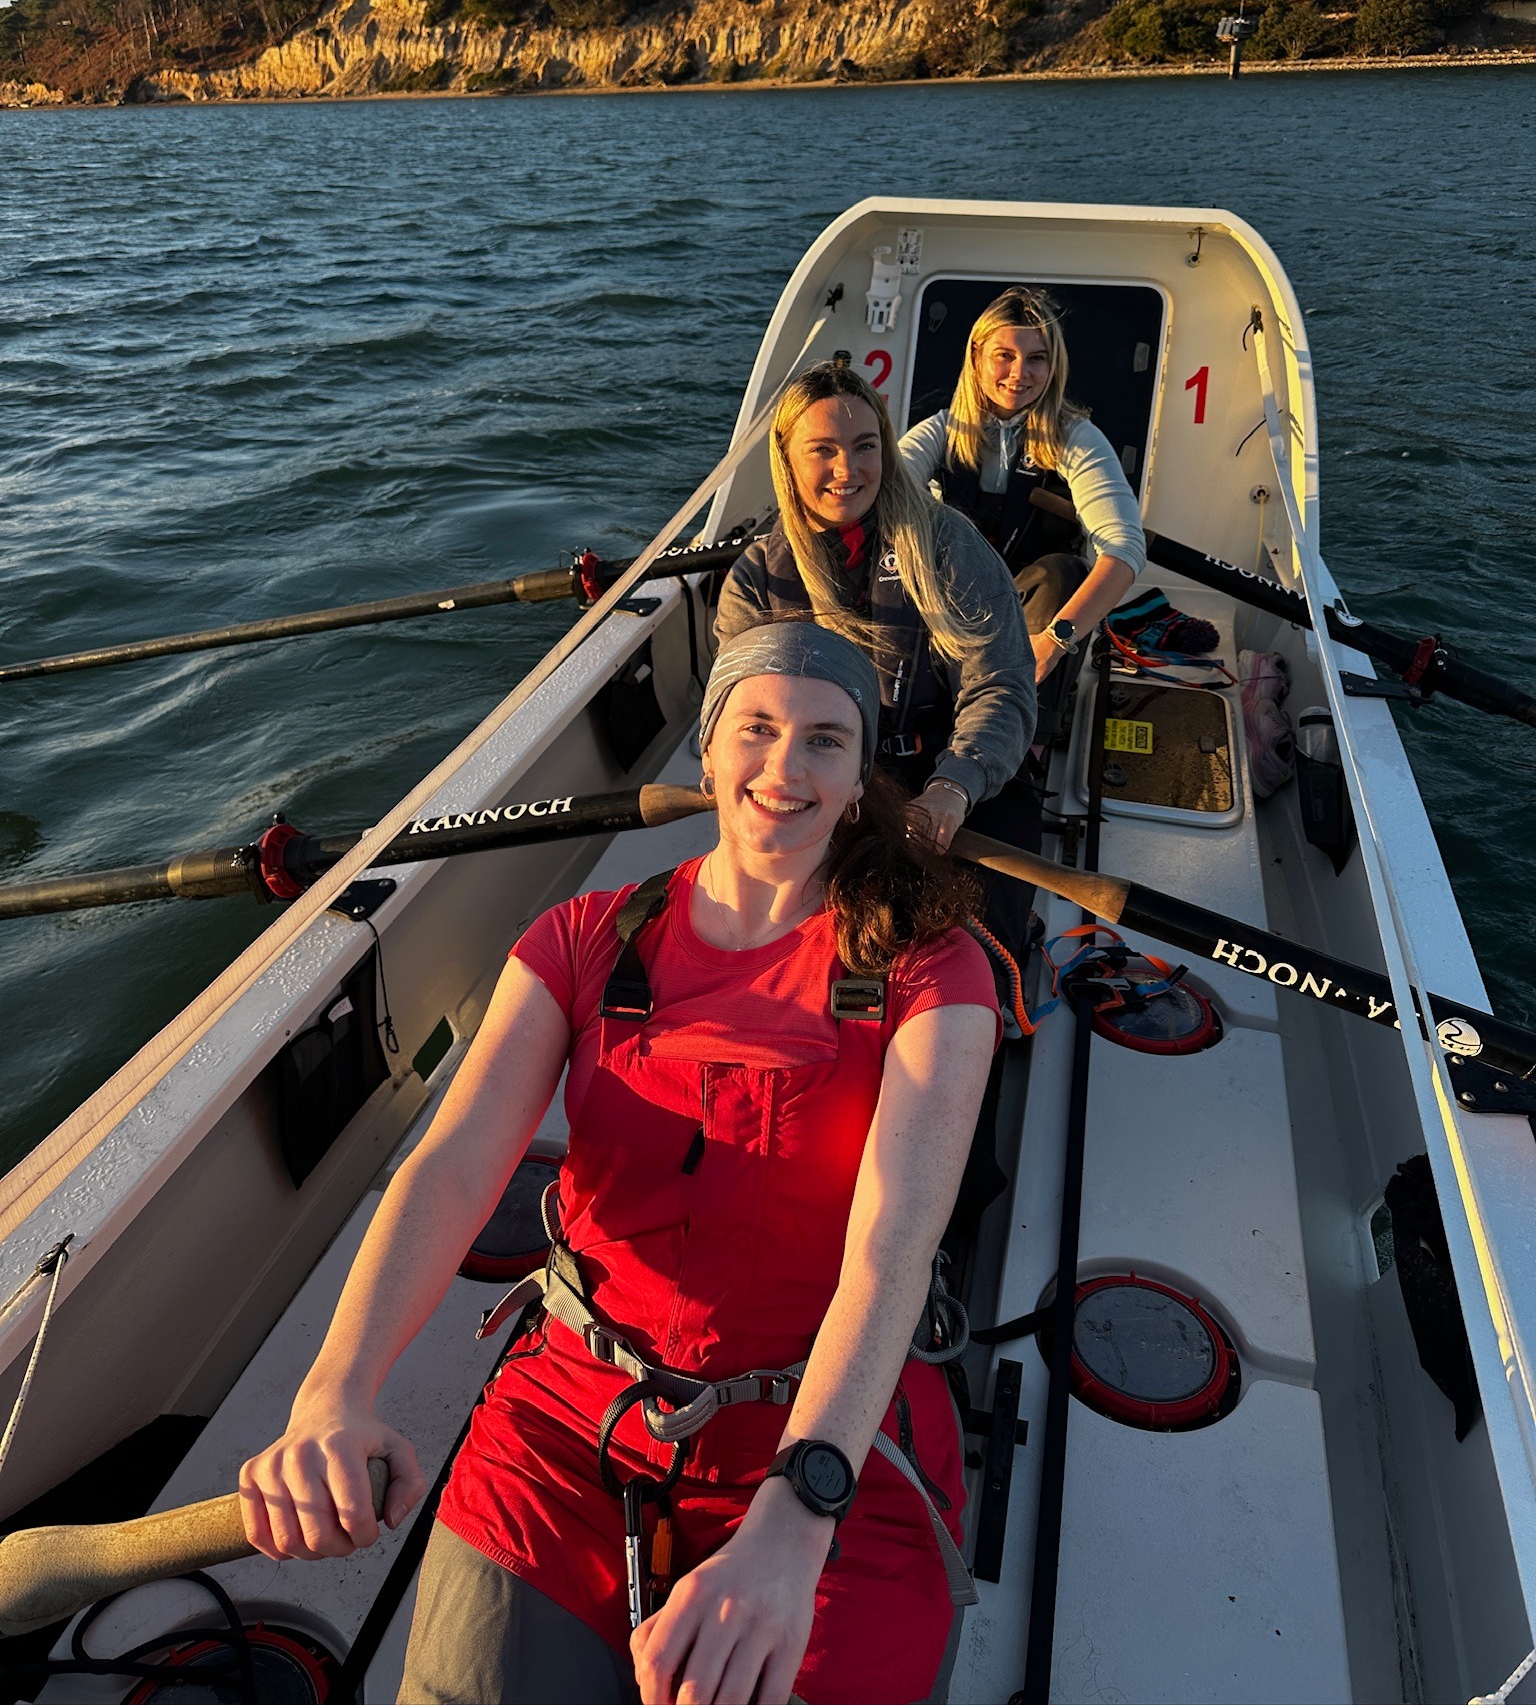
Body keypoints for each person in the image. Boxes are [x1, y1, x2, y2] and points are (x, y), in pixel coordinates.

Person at [239, 622, 999, 1705]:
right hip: (574, 1417)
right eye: (760, 728)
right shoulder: (582, 936)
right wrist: (335, 1390)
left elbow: (893, 1249)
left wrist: (798, 1510)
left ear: (860, 772)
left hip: (831, 1435)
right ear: (707, 745)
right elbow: (452, 1167)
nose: (787, 768)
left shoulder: (932, 965)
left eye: (827, 741)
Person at [715, 358, 1036, 868]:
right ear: (786, 459)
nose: (848, 470)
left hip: (951, 779)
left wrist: (952, 789)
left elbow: (1001, 685)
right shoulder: (756, 579)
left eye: (865, 446)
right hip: (814, 784)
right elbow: (740, 714)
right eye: (823, 450)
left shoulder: (947, 546)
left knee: (975, 940)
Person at [899, 286, 1146, 712]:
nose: (1019, 373)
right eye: (1005, 356)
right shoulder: (940, 431)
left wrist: (1056, 640)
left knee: (1062, 573)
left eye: (1036, 359)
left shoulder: (1077, 439)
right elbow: (887, 489)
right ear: (977, 357)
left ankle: (1027, 744)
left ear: (1054, 367)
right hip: (955, 599)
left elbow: (1124, 549)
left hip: (1032, 613)